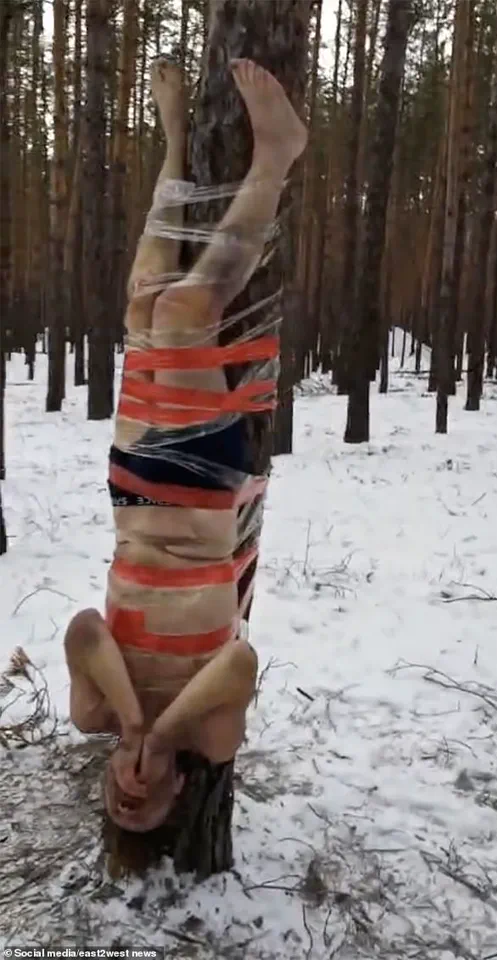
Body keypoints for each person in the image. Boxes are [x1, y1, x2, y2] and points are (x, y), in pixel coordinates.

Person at [64, 56, 307, 834]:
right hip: (200, 500)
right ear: (176, 795)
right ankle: (276, 157)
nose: (129, 795)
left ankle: (176, 145)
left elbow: (85, 630)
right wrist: (163, 733)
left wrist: (129, 720)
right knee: (182, 315)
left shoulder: (95, 713)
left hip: (133, 492)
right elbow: (238, 662)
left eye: (115, 803)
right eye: (145, 808)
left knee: (145, 305)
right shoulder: (211, 737)